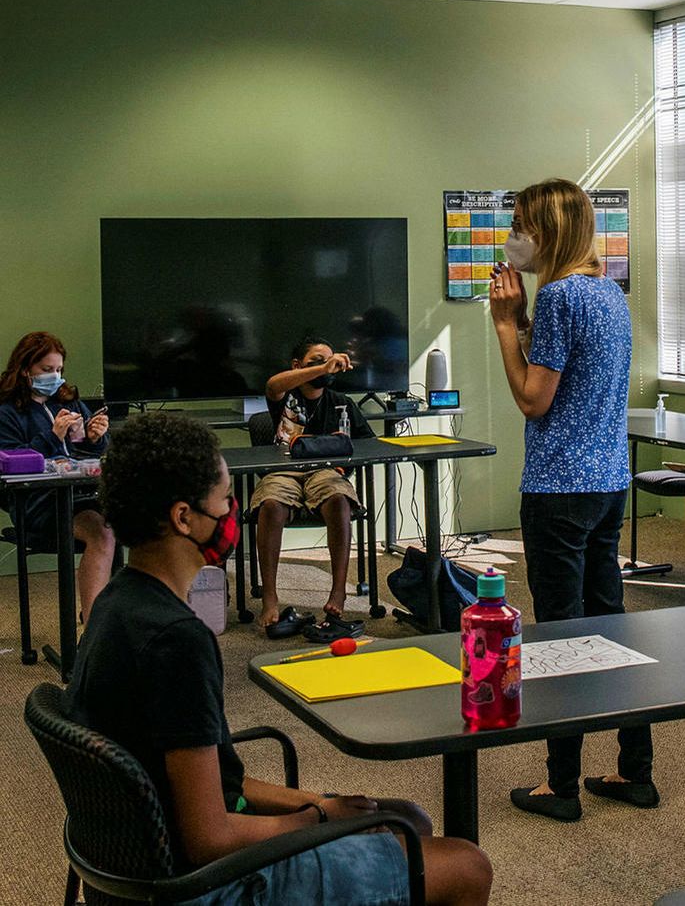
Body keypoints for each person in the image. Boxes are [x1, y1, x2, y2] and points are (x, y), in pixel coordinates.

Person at [70, 412, 491, 906]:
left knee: (409, 818)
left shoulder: (115, 604)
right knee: (466, 865)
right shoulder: (176, 641)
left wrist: (322, 803)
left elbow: (214, 780)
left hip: (136, 865)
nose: (231, 514)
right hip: (199, 885)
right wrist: (314, 821)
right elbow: (210, 838)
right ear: (185, 518)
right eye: (226, 501)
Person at [488, 178, 656, 824]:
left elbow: (535, 397)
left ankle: (560, 786)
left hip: (558, 490)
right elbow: (569, 369)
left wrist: (506, 325)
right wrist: (526, 318)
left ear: (547, 231)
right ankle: (635, 770)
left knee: (559, 633)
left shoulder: (558, 295)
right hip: (607, 485)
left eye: (522, 225)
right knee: (610, 626)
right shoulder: (606, 291)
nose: (514, 239)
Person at [249, 336, 373, 640]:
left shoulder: (343, 402)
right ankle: (270, 599)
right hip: (284, 470)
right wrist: (320, 369)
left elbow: (370, 444)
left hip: (326, 472)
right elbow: (272, 384)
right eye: (316, 360)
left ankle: (338, 595)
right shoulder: (285, 397)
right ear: (297, 366)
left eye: (330, 361)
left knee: (339, 499)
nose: (326, 368)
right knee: (271, 505)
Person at [0, 331, 117, 616]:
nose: (55, 376)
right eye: (47, 370)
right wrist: (52, 437)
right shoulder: (7, 412)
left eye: (59, 370)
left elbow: (88, 456)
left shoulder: (69, 402)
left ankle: (124, 613)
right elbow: (12, 463)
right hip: (38, 504)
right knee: (102, 535)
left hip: (82, 495)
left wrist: (94, 437)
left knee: (139, 520)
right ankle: (93, 627)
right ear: (26, 369)